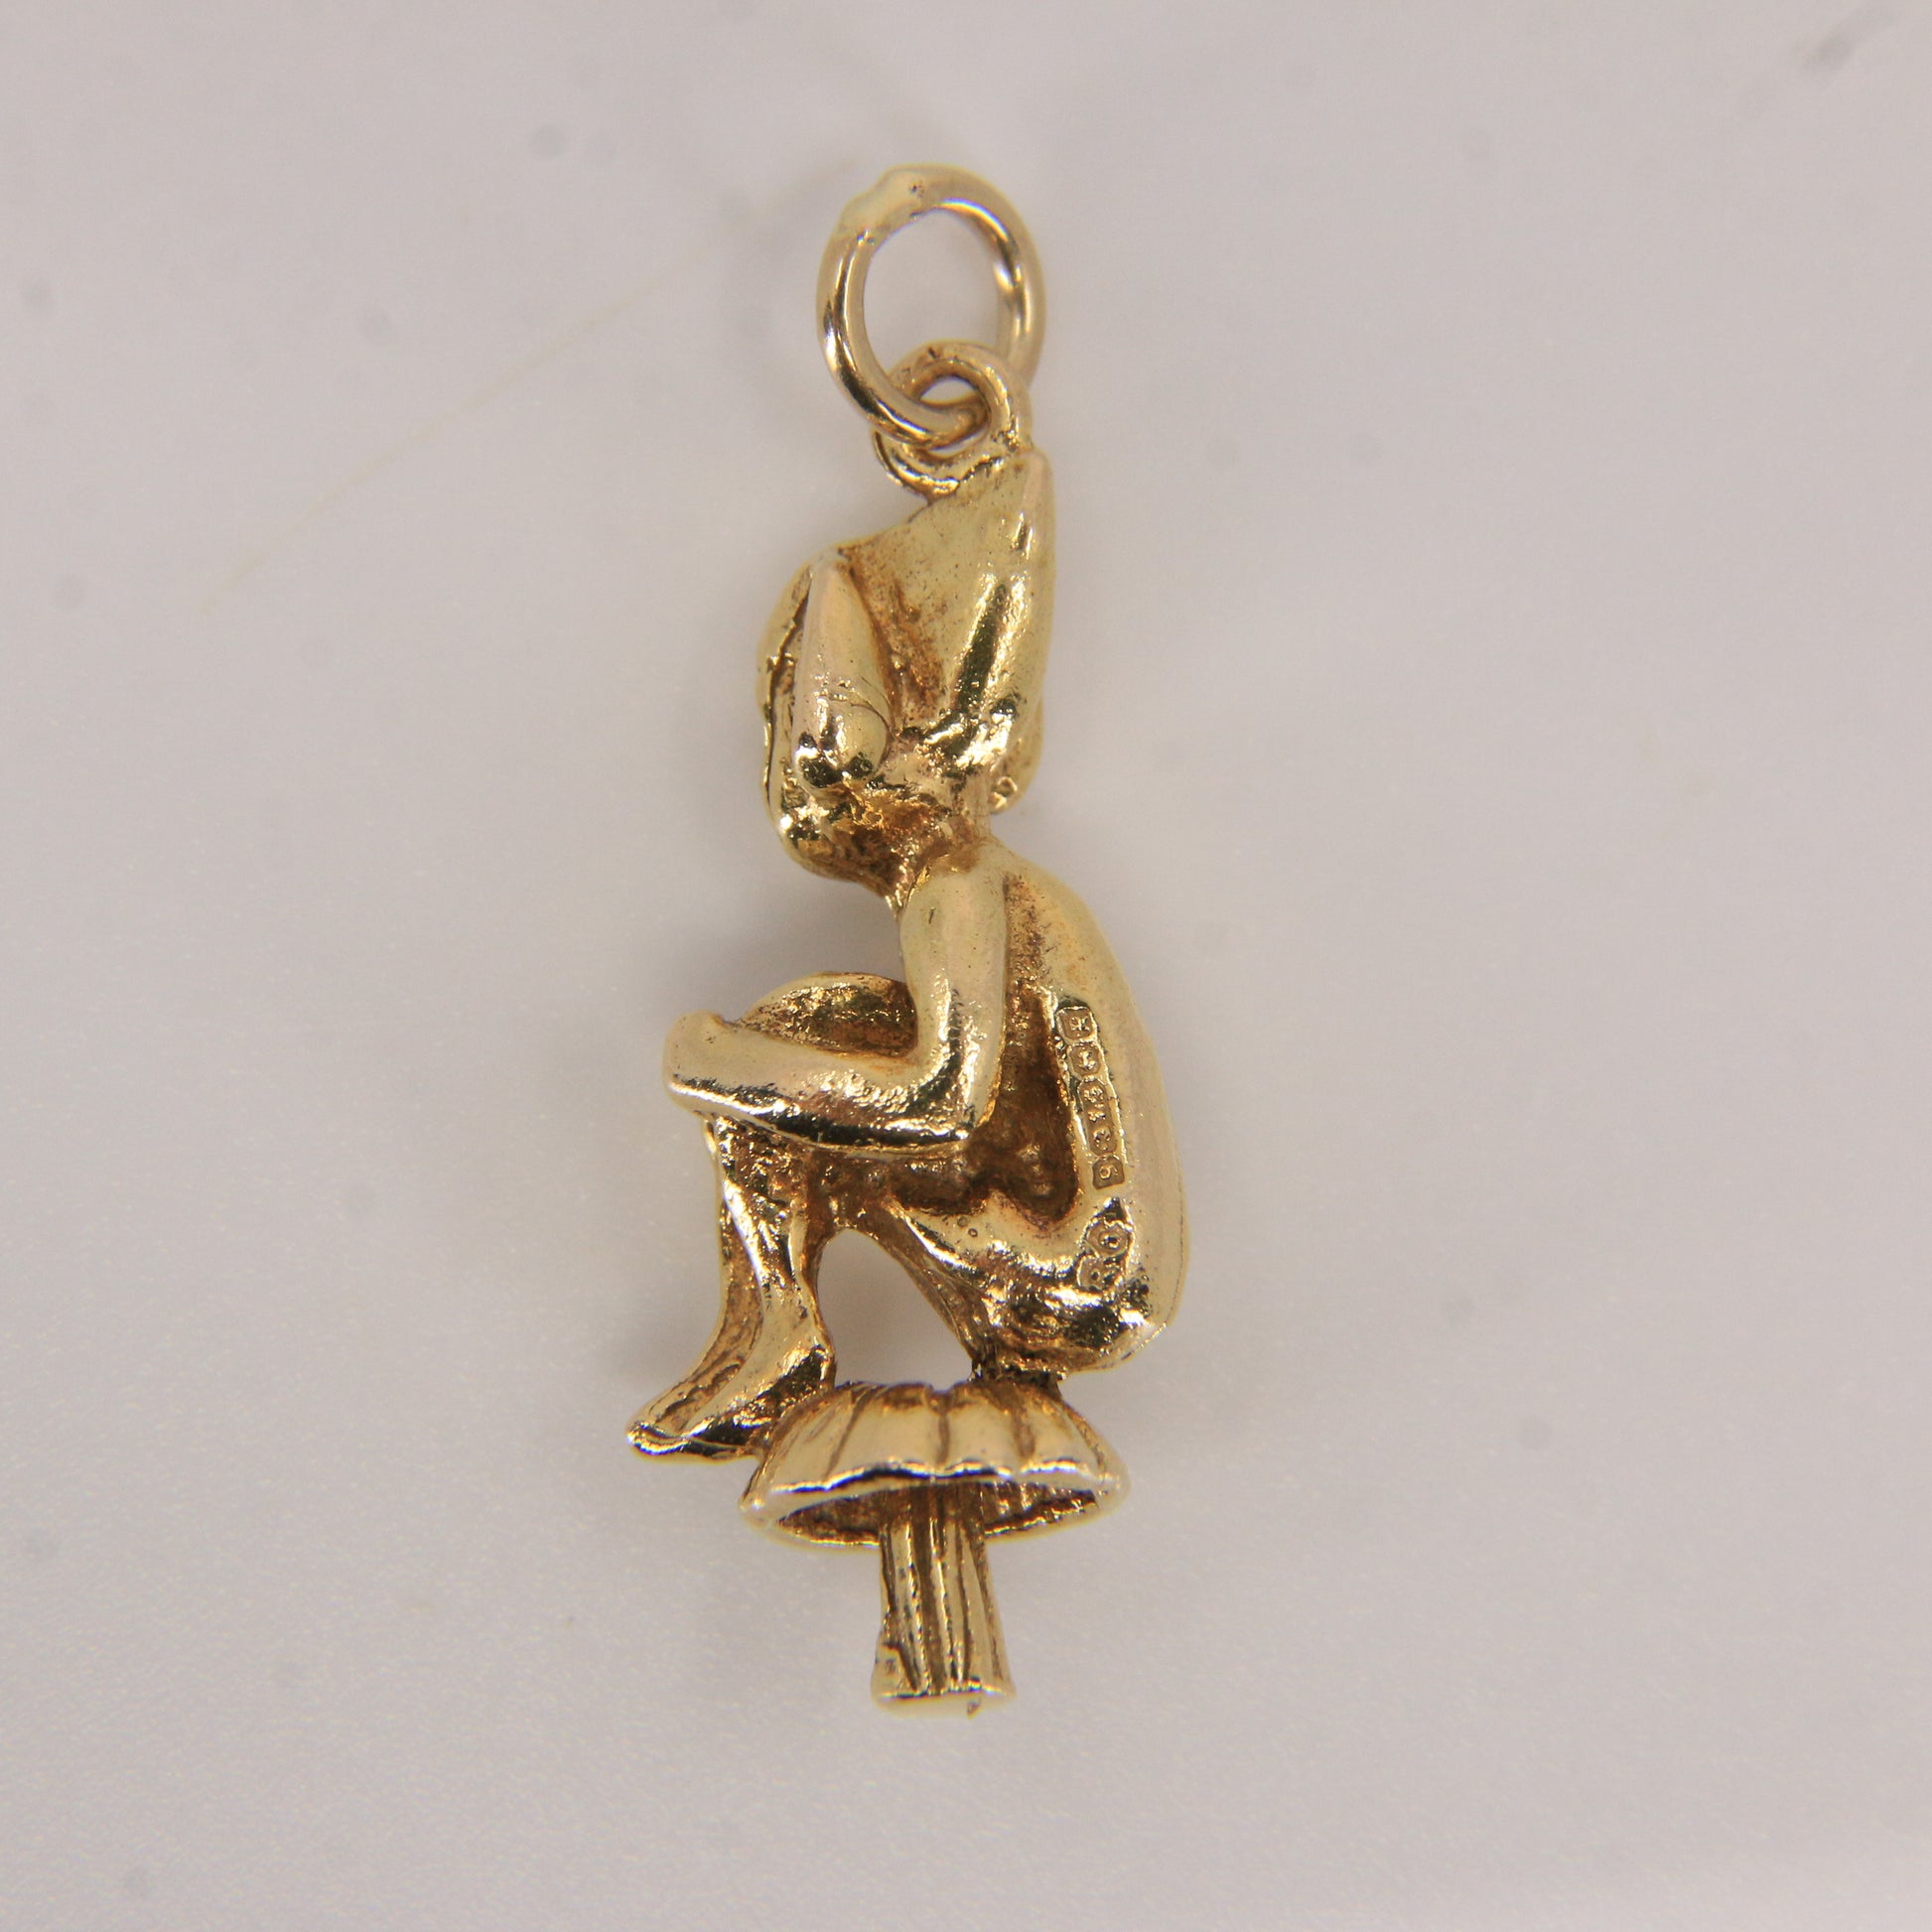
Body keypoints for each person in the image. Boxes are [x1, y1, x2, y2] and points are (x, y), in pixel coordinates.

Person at [631, 450, 1184, 1458]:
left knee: (798, 1038)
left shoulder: (955, 884)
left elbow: (939, 1101)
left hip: (1072, 1276)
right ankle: (776, 1332)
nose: (797, 780)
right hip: (1075, 1266)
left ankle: (778, 1336)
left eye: (812, 737)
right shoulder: (969, 882)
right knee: (830, 1027)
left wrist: (718, 1067)